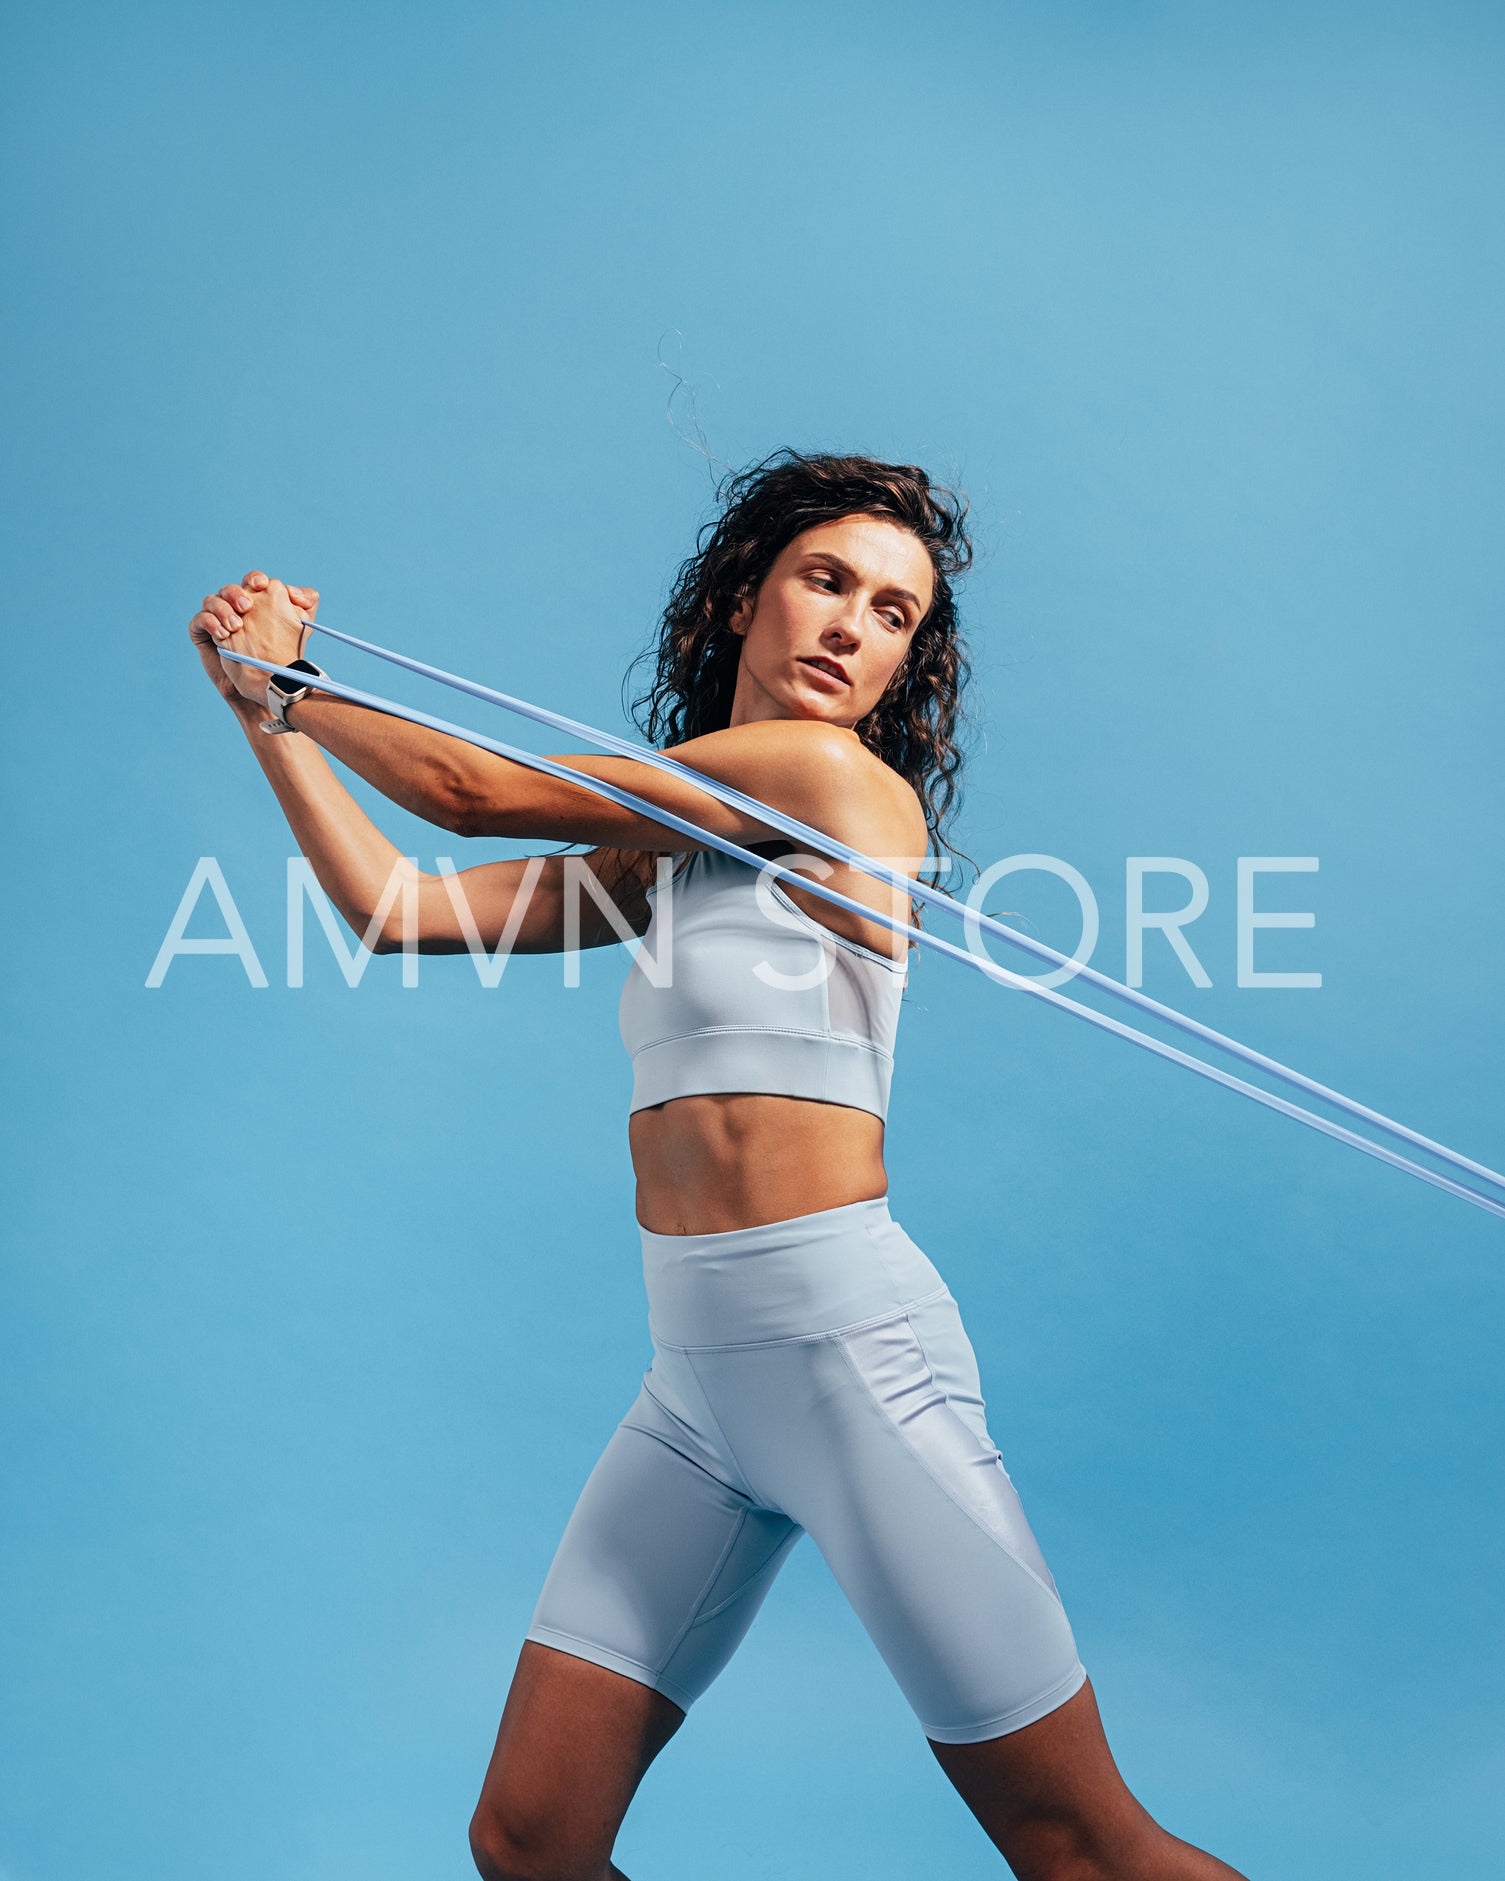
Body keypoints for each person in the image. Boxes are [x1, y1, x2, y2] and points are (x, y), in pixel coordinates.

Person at [190, 450, 1246, 1881]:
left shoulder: (828, 783)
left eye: (889, 613)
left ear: (900, 666)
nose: (847, 626)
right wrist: (266, 723)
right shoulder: (672, 844)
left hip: (842, 1351)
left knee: (1081, 1847)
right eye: (825, 581)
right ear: (747, 597)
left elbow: (471, 789)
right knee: (530, 1840)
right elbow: (399, 908)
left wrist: (292, 680)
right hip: (694, 1382)